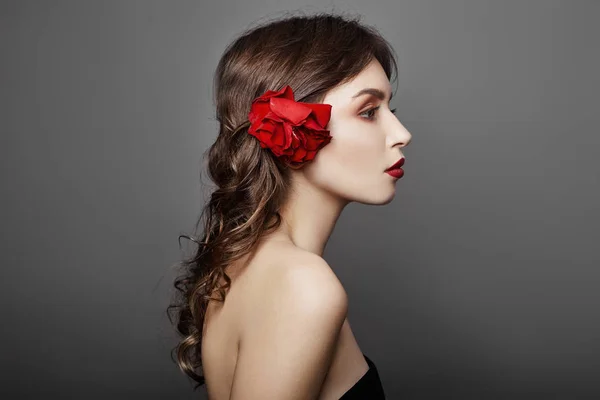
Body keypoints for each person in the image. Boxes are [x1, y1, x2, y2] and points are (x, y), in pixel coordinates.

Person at [168, 11, 412, 399]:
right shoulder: (304, 285)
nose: (402, 134)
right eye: (368, 112)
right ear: (295, 127)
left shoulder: (243, 264)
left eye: (390, 110)